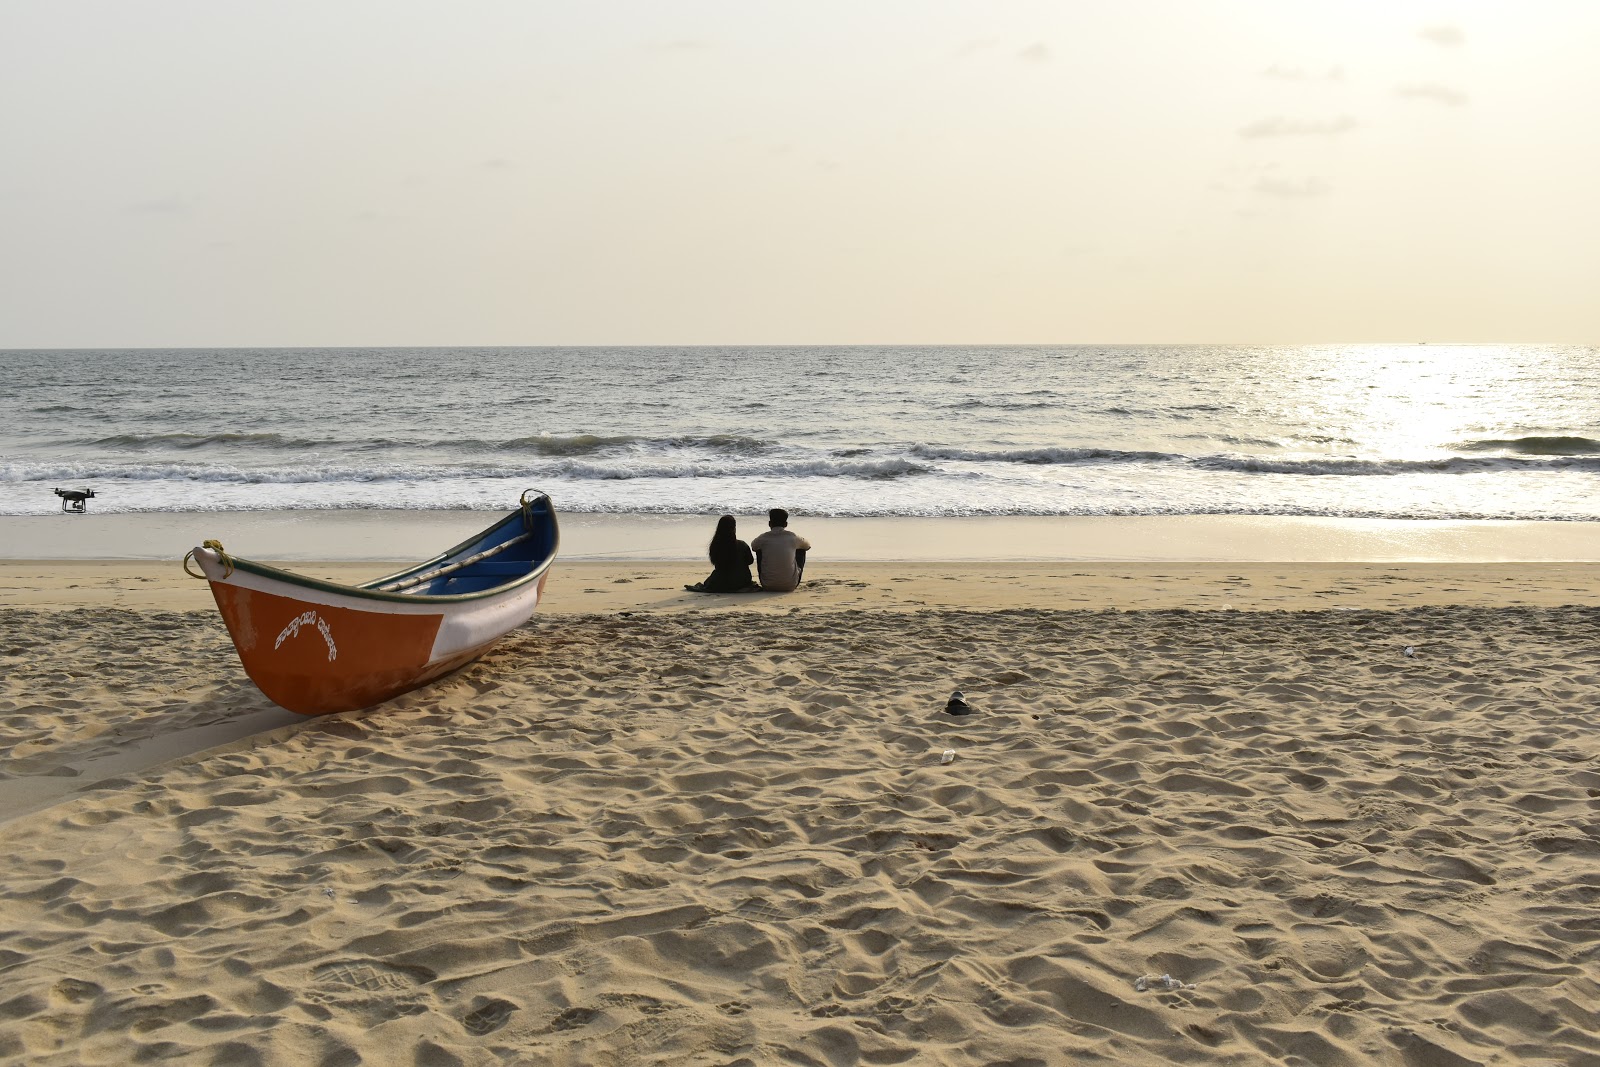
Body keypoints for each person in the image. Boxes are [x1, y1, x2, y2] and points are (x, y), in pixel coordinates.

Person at [685, 515, 758, 593]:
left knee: (709, 582)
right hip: (742, 580)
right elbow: (750, 561)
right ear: (734, 528)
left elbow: (715, 562)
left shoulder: (715, 544)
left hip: (721, 580)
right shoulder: (742, 544)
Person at [751, 507, 811, 592]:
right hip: (790, 585)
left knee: (759, 549)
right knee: (801, 549)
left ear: (769, 523)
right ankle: (792, 574)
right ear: (786, 524)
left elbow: (754, 547)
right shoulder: (792, 537)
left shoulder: (763, 537)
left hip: (767, 585)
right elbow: (807, 546)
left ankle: (769, 576)